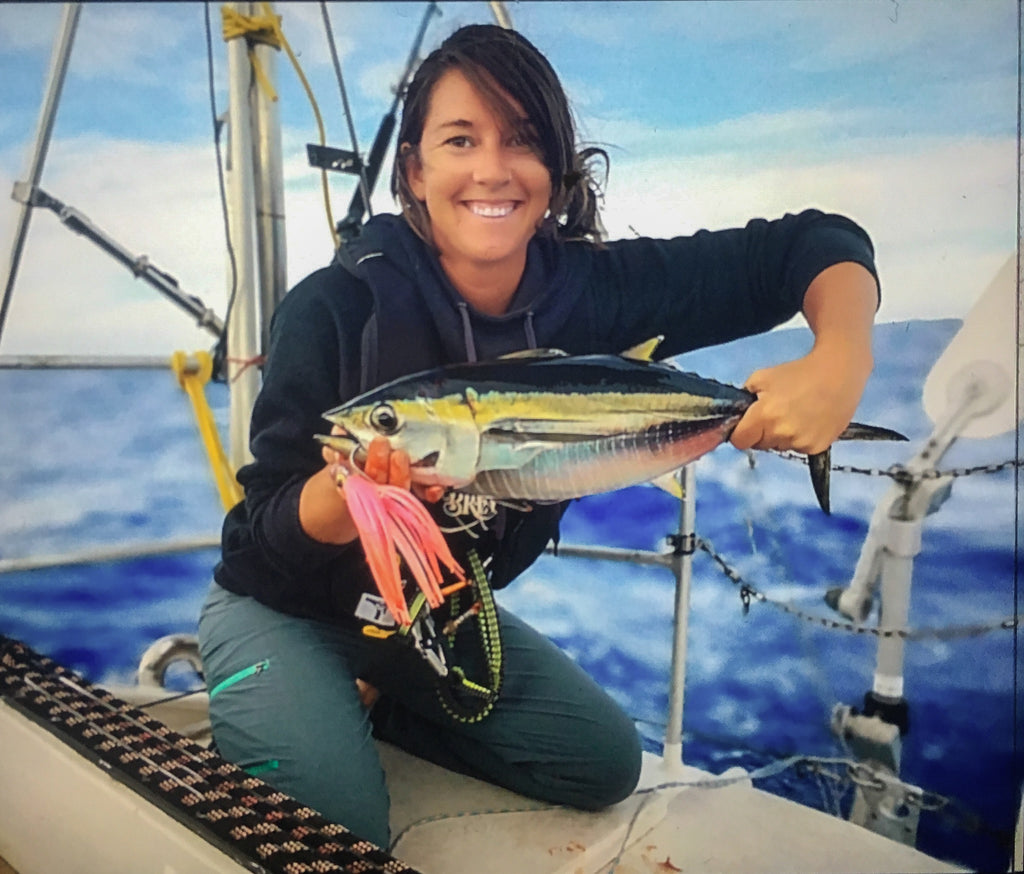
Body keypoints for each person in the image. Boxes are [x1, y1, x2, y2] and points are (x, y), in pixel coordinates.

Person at [198, 24, 879, 850]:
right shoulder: (335, 310)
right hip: (285, 608)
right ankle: (318, 701)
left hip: (429, 615)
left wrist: (839, 357)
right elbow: (257, 540)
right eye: (460, 139)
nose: (491, 168)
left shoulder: (596, 292)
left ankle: (369, 697)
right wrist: (351, 495)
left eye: (521, 140)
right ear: (415, 169)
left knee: (595, 764)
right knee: (330, 835)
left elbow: (810, 244)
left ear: (556, 170)